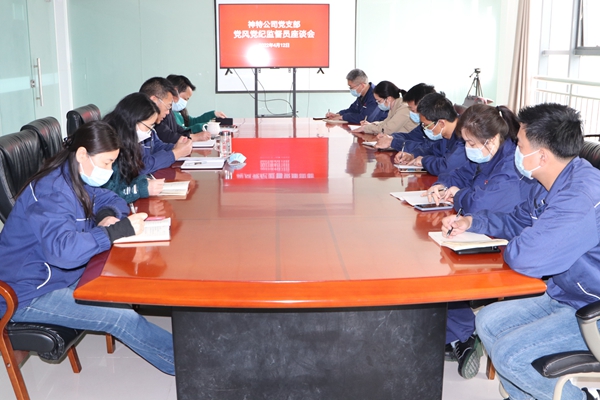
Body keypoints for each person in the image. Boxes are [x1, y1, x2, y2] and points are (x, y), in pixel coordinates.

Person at [441, 103, 600, 400]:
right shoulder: (547, 180)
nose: (515, 149)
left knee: (512, 356)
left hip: (591, 306)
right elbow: (518, 220)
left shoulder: (579, 196)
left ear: (542, 155)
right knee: (487, 322)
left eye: (520, 144)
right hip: (566, 294)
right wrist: (473, 222)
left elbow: (527, 257)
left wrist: (523, 241)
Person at [0, 121, 175, 375]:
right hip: (24, 293)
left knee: (125, 285)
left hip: (57, 276)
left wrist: (106, 215)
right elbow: (63, 252)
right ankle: (187, 365)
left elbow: (110, 198)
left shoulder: (74, 175)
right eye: (107, 162)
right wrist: (114, 231)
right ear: (82, 154)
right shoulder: (52, 191)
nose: (109, 170)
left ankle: (186, 351)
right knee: (120, 317)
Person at [427, 104, 535, 213]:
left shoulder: (511, 165)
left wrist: (458, 194)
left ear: (492, 140)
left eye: (471, 144)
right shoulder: (485, 156)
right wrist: (442, 186)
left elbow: (481, 205)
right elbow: (461, 175)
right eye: (465, 142)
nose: (467, 148)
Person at [102, 92, 170, 202]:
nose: (149, 132)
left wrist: (142, 181)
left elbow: (125, 180)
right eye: (149, 126)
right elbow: (107, 195)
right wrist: (140, 189)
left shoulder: (127, 141)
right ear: (133, 120)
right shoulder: (108, 145)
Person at [396, 93, 471, 176]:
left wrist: (423, 161)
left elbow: (446, 167)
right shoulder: (446, 135)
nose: (424, 128)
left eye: (426, 125)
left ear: (441, 123)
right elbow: (433, 150)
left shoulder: (466, 136)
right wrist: (412, 155)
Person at [140, 77, 207, 144]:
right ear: (154, 100)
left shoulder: (166, 114)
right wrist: (194, 137)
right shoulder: (139, 125)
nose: (168, 112)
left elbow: (178, 130)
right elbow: (166, 136)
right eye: (168, 105)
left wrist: (188, 137)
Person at [374, 83, 435, 151]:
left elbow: (426, 148)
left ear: (424, 107)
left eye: (412, 110)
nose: (411, 112)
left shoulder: (437, 127)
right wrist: (391, 138)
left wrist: (393, 142)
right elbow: (409, 136)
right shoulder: (422, 125)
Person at [351, 81, 417, 135]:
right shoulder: (394, 107)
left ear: (388, 99)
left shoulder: (404, 108)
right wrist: (371, 124)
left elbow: (388, 129)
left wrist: (365, 128)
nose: (378, 104)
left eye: (379, 101)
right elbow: (385, 123)